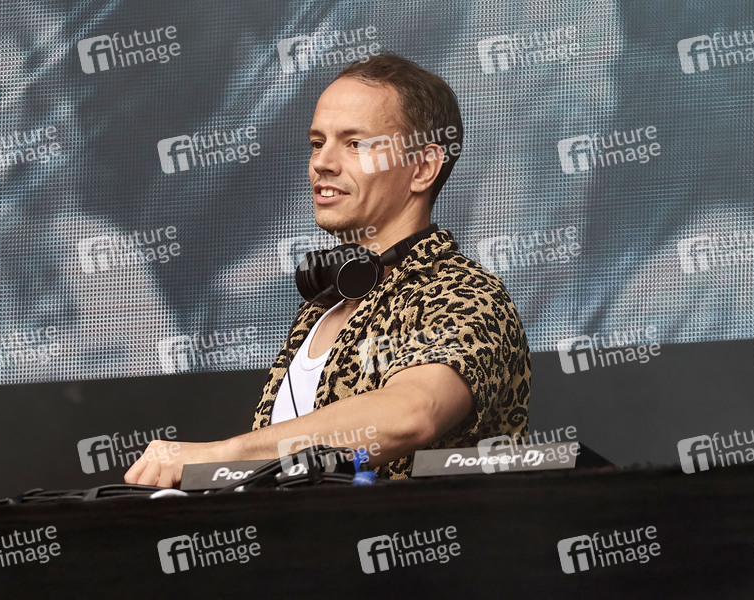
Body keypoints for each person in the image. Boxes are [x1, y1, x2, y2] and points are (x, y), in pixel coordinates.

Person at [125, 54, 531, 487]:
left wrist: (221, 456)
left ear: (423, 167)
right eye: (318, 143)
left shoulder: (465, 293)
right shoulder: (323, 305)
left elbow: (413, 413)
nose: (322, 162)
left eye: (355, 144)